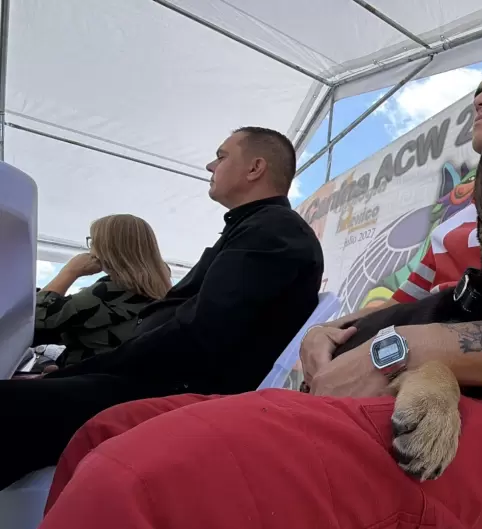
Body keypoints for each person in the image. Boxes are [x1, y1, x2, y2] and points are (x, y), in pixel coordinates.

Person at [37, 51, 482, 529]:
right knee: (109, 430)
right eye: (476, 90)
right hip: (379, 379)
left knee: (142, 477)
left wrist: (404, 353)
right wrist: (322, 334)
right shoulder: (458, 220)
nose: (481, 100)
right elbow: (383, 311)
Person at [0, 126, 324, 489]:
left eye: (221, 156)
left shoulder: (272, 232)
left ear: (255, 168)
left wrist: (74, 373)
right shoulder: (258, 230)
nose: (209, 165)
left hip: (176, 396)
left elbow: (199, 332)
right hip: (161, 384)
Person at [33, 214, 172, 369]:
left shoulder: (114, 290)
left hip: (90, 382)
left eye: (92, 241)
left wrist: (69, 272)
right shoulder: (152, 288)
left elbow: (36, 317)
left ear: (108, 247)